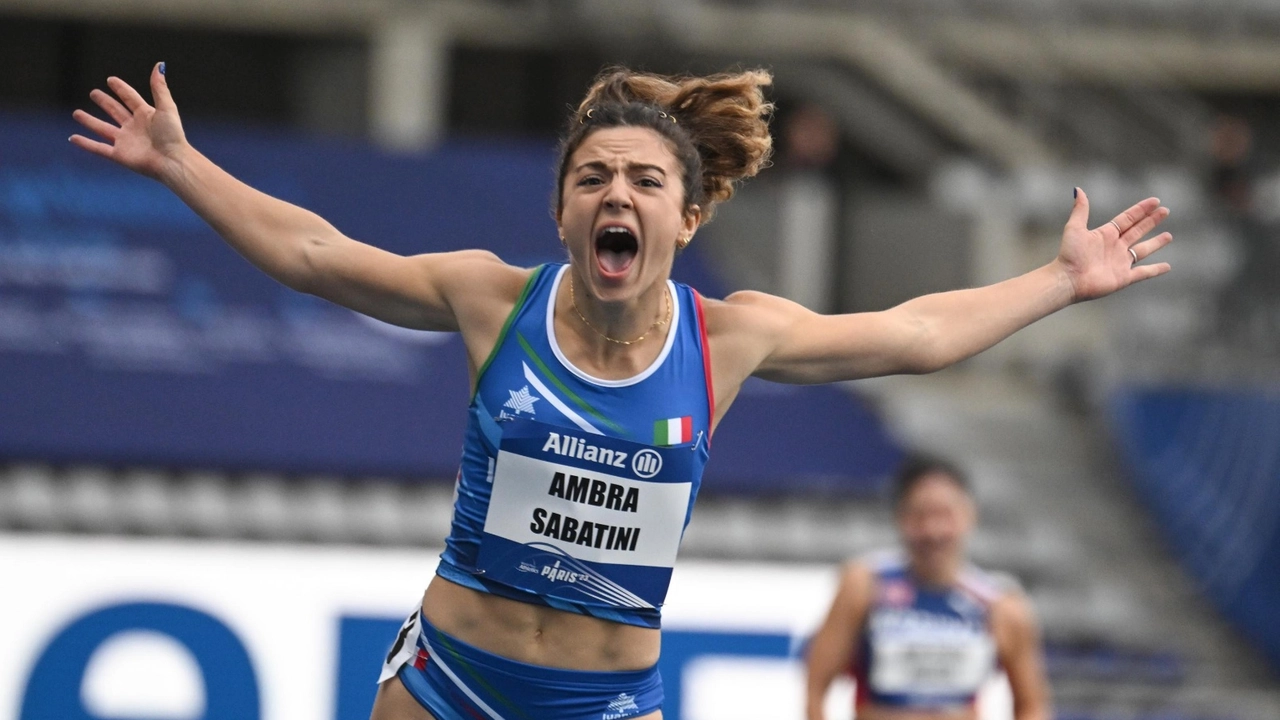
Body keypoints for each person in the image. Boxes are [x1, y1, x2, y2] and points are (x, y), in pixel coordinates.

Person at [70, 62, 1169, 720]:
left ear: (685, 220)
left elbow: (917, 333)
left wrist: (1059, 280)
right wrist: (182, 166)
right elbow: (315, 253)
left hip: (605, 701)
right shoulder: (489, 302)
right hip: (450, 682)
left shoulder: (727, 341)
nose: (617, 193)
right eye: (592, 177)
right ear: (561, 213)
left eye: (645, 180)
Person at [805, 457, 1051, 720]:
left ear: (969, 515)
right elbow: (816, 687)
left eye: (945, 515)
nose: (932, 530)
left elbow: (1032, 704)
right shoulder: (865, 586)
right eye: (920, 515)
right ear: (900, 517)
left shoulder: (1000, 606)